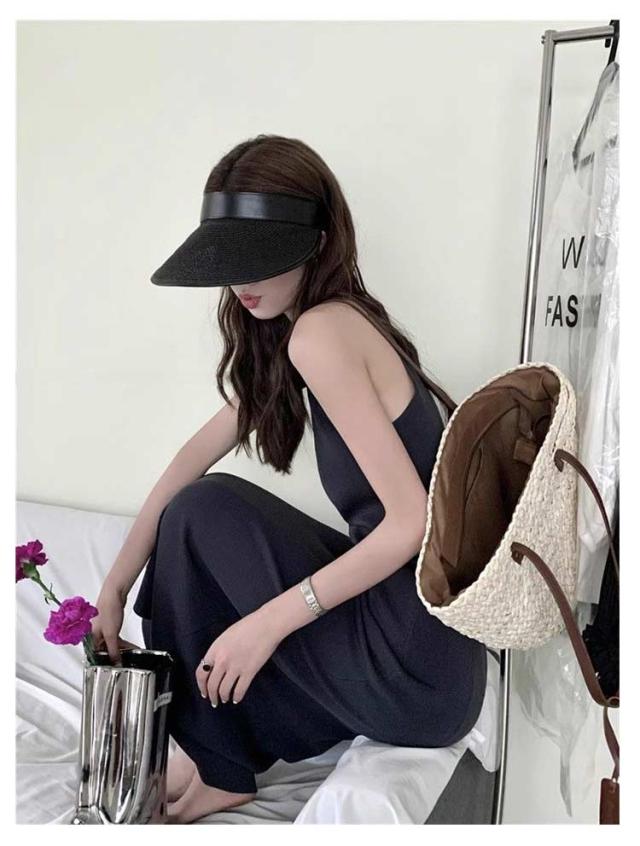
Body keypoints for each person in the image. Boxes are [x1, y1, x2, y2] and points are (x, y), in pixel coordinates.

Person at [90, 134, 488, 824]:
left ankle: (218, 763)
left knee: (202, 513)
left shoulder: (321, 334)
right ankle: (216, 755)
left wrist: (266, 625)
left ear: (318, 240)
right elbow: (190, 458)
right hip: (431, 660)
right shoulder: (317, 328)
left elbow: (409, 524)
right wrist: (114, 587)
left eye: (258, 258)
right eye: (229, 262)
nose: (239, 283)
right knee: (197, 505)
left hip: (417, 663)